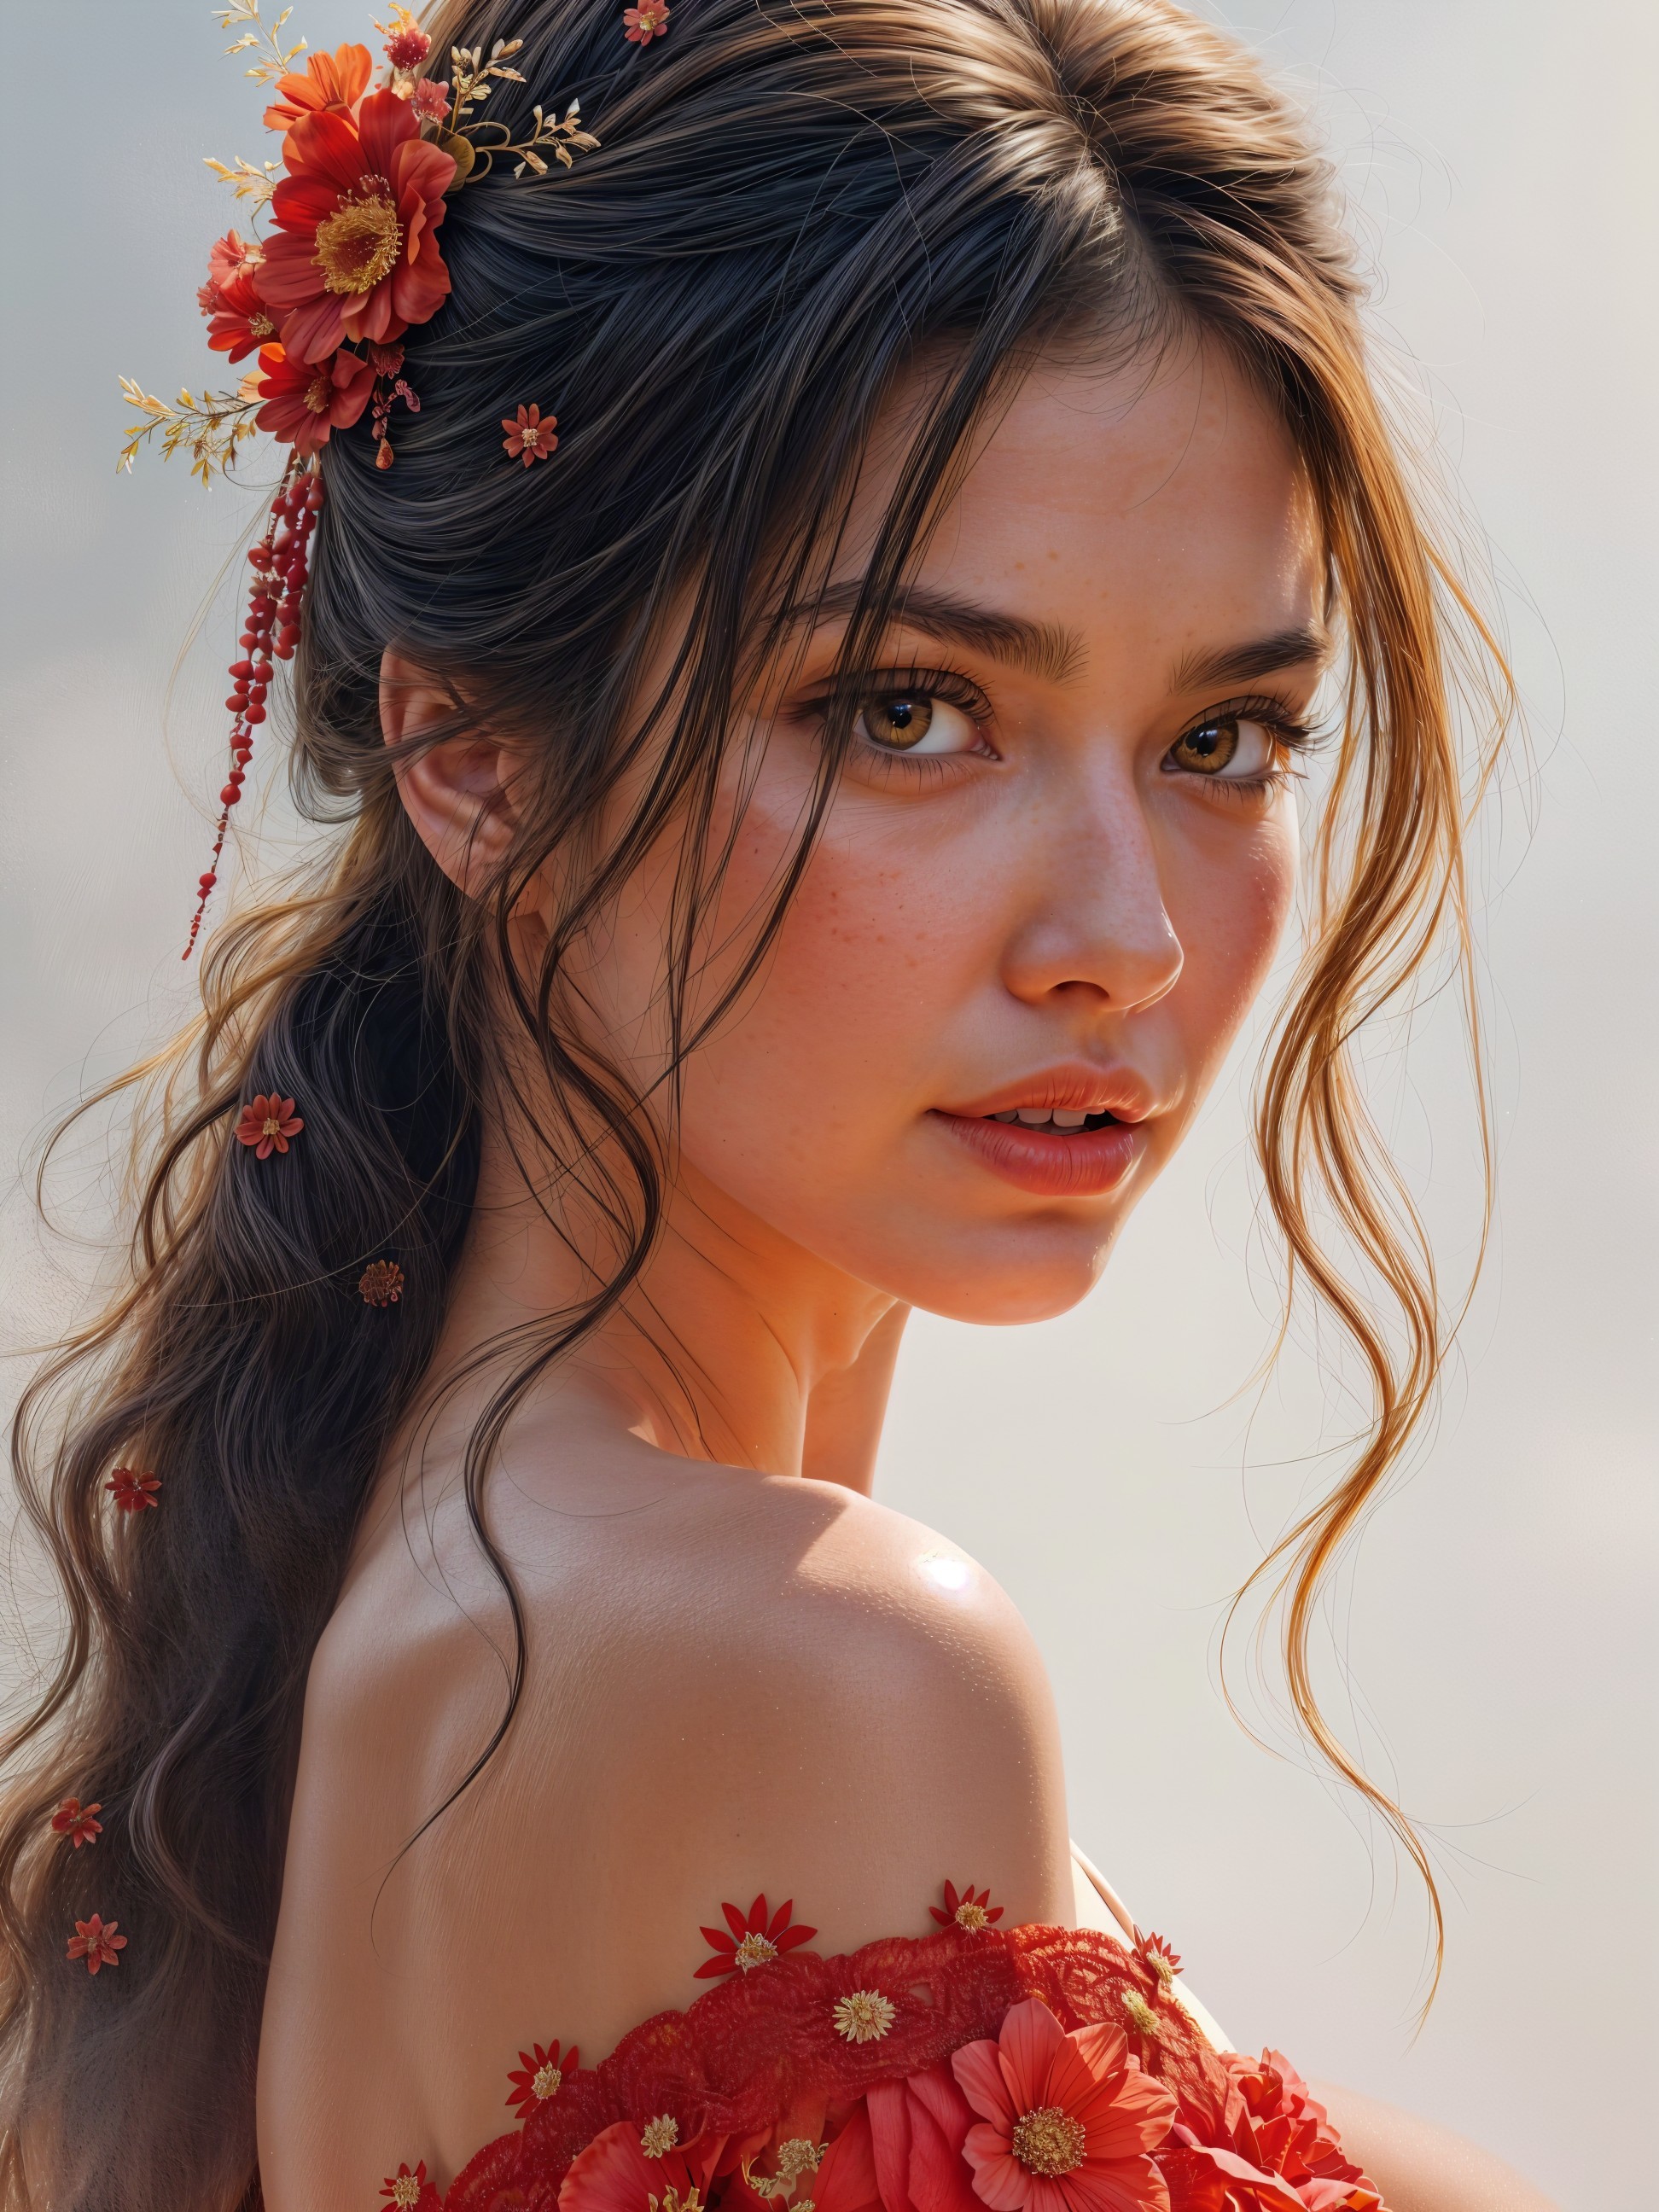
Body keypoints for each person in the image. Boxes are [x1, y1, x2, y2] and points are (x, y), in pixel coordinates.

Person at [0, 0, 1557, 2207]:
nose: (1127, 934)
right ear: (476, 765)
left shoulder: (393, 1657)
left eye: (1226, 741)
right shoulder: (803, 1674)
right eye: (913, 707)